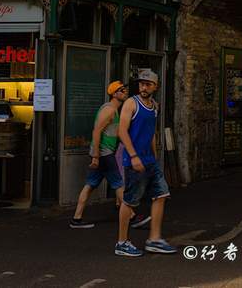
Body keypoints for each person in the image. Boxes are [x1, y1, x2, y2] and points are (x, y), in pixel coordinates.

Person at [114, 69, 176, 257]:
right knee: (130, 200)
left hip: (149, 160)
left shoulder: (154, 106)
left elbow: (151, 133)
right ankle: (122, 242)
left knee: (161, 194)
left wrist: (155, 157)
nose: (144, 87)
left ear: (155, 87)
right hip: (134, 159)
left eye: (148, 84)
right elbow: (122, 132)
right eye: (141, 83)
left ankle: (154, 239)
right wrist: (133, 156)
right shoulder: (131, 103)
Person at [69, 81, 130, 228]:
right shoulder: (109, 110)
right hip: (104, 154)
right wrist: (96, 156)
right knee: (119, 184)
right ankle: (132, 216)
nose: (125, 92)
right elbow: (96, 131)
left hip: (104, 153)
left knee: (90, 185)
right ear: (114, 94)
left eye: (125, 90)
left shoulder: (115, 110)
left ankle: (76, 219)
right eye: (122, 90)